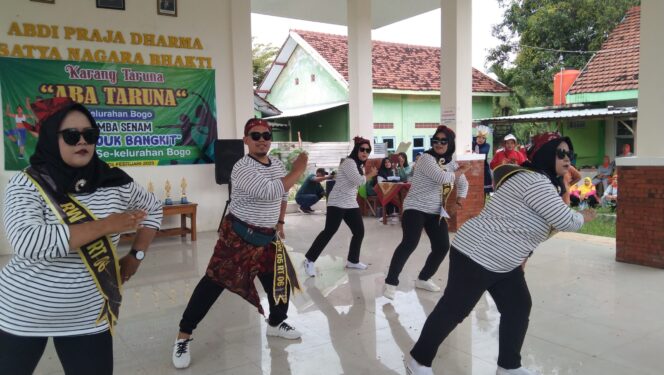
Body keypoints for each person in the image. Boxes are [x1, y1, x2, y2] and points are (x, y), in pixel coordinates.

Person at [404, 132, 596, 375]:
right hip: (477, 254)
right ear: (546, 155)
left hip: (504, 261)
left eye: (570, 154)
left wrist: (523, 255)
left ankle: (509, 366)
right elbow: (564, 220)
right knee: (454, 310)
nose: (567, 159)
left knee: (518, 306)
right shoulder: (535, 182)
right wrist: (583, 216)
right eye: (561, 153)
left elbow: (526, 225)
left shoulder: (536, 179)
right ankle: (417, 361)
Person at [0, 97, 162, 375]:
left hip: (89, 317)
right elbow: (27, 242)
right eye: (72, 135)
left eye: (90, 135)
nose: (82, 142)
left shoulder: (114, 181)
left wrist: (136, 255)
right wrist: (106, 225)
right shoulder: (26, 183)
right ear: (52, 138)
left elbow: (153, 208)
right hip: (23, 313)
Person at [171, 118, 308, 369]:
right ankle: (183, 335)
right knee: (212, 284)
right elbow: (269, 191)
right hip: (239, 236)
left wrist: (280, 221)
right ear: (246, 140)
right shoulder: (242, 167)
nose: (262, 140)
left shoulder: (276, 164)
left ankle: (276, 324)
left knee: (280, 282)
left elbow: (281, 194)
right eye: (255, 136)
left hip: (267, 237)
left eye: (266, 135)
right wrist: (298, 170)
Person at [383, 125, 469, 299]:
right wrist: (458, 172)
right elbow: (443, 178)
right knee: (410, 242)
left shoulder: (451, 162)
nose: (439, 144)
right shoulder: (426, 158)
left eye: (443, 141)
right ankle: (391, 282)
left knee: (442, 246)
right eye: (436, 140)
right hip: (415, 207)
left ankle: (423, 278)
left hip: (435, 211)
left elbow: (463, 183)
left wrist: (459, 201)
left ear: (450, 143)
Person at [303, 136, 378, 277]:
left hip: (350, 202)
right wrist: (371, 174)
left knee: (359, 231)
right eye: (362, 149)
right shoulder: (349, 162)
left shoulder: (358, 165)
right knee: (329, 231)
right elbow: (359, 181)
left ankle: (352, 261)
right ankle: (309, 260)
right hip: (337, 202)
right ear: (356, 149)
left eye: (368, 150)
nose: (365, 152)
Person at [473, 128, 493, 195]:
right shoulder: (473, 144)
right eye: (479, 137)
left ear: (485, 139)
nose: (480, 139)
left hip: (483, 169)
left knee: (483, 190)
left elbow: (482, 152)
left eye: (483, 138)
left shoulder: (487, 146)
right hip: (474, 169)